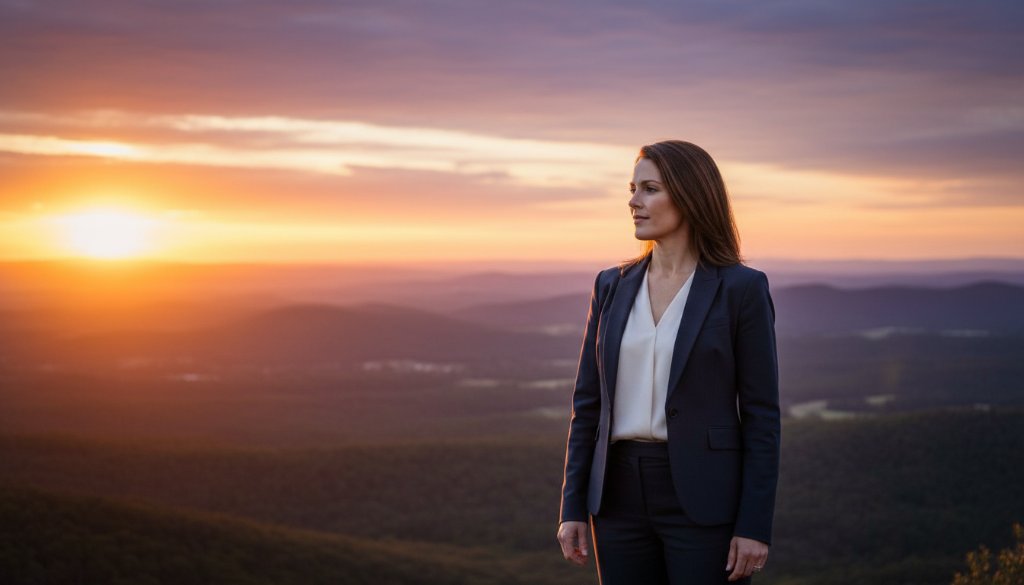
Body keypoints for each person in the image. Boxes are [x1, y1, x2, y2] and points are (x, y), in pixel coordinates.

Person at [556, 140, 780, 584]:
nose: (633, 201)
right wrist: (572, 506)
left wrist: (753, 525)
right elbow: (588, 405)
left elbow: (761, 417)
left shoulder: (741, 289)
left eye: (650, 189)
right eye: (632, 188)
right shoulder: (611, 286)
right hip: (616, 497)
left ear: (690, 195)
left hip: (705, 496)